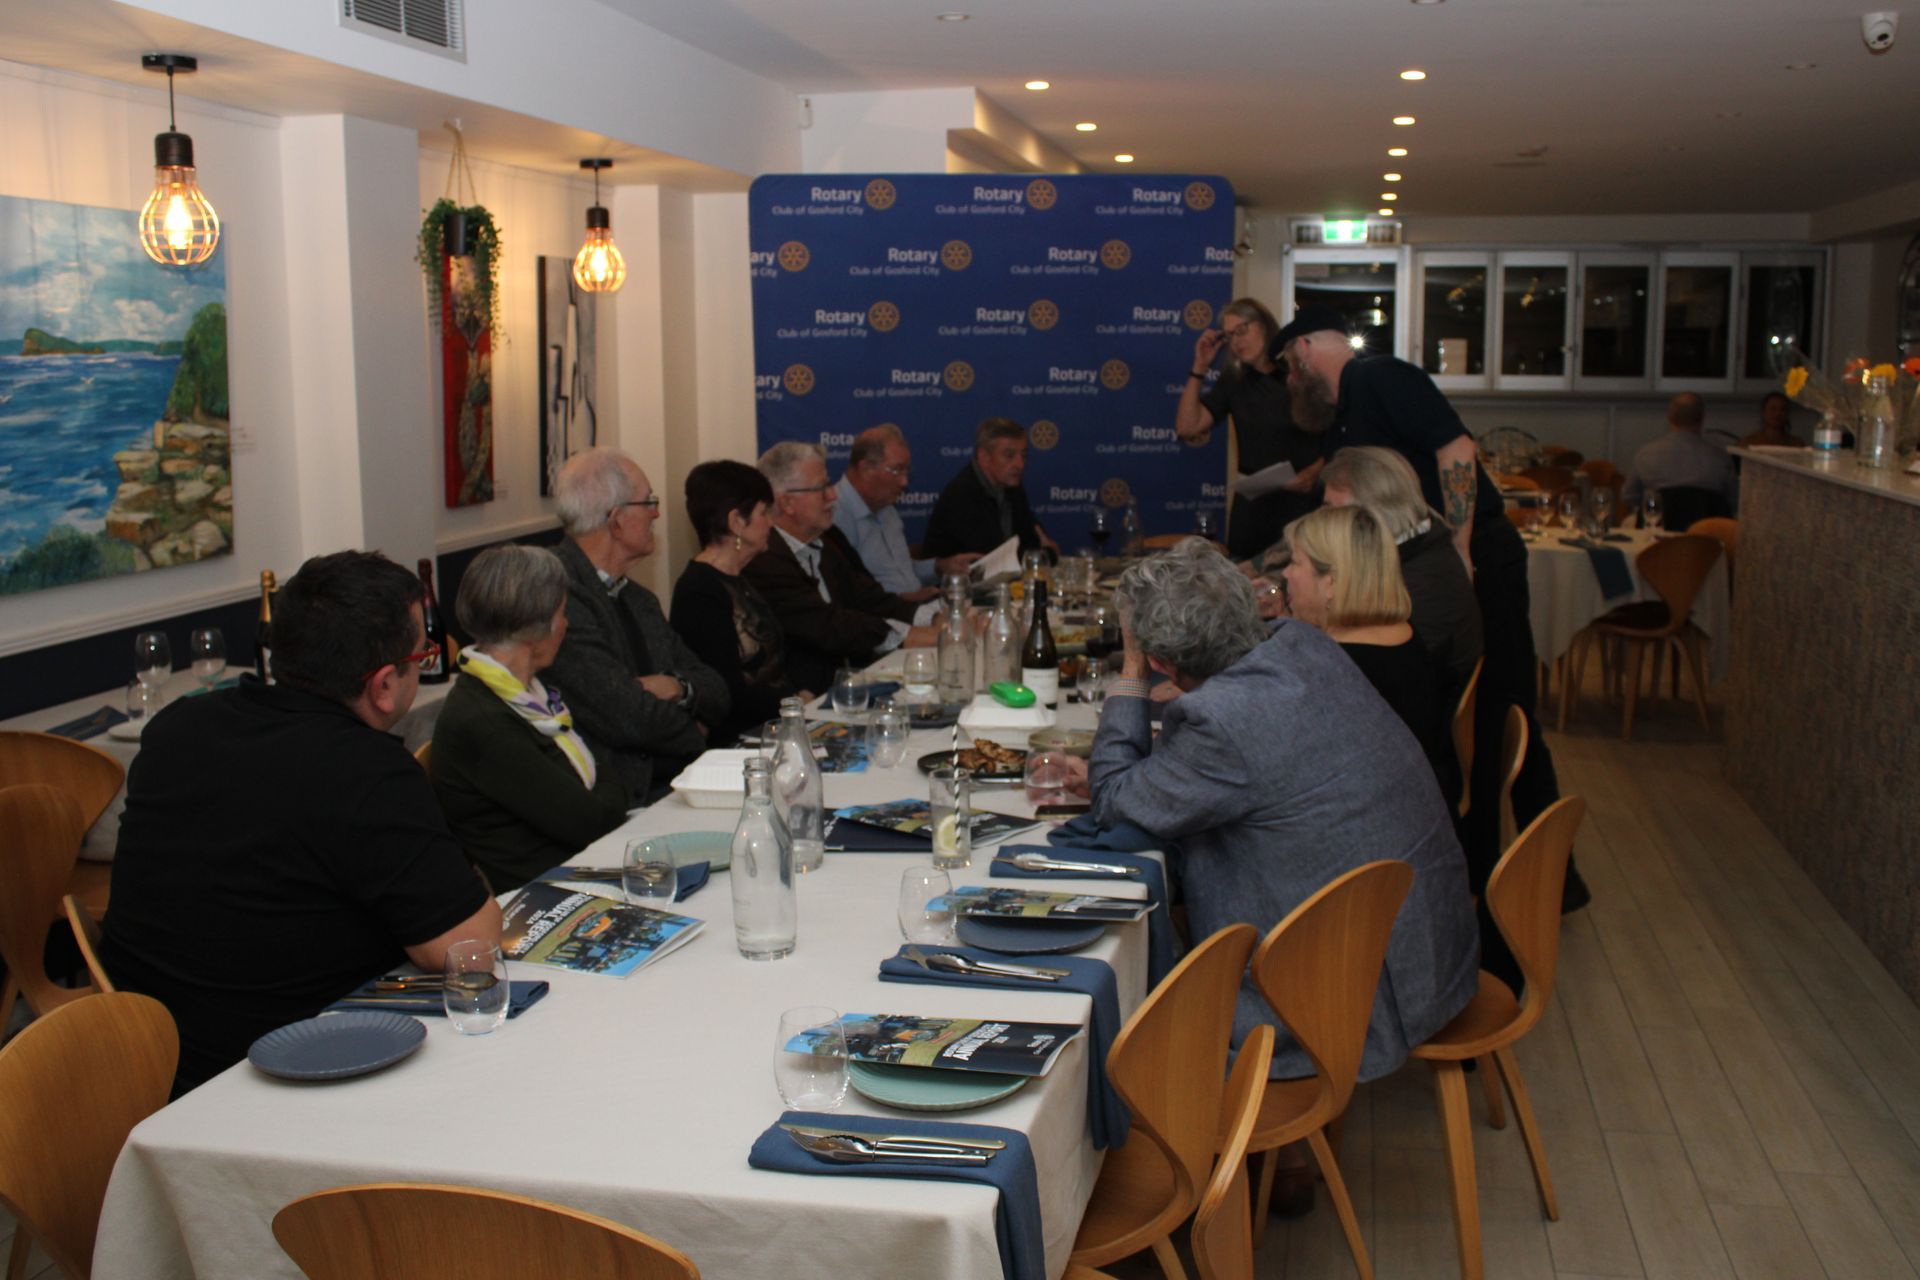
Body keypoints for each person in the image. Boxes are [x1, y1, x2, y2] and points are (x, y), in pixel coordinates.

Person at [100, 550, 502, 1094]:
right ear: (384, 685)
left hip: (136, 1061)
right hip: (280, 1074)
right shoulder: (365, 770)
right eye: (422, 653)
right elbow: (467, 947)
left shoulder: (178, 727)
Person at [1086, 539, 1478, 1083]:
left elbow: (1111, 801)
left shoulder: (1220, 724)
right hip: (1429, 953)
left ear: (1160, 662)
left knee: (1123, 1018)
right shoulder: (1303, 643)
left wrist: (1130, 667)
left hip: (1344, 999)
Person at [1276, 301, 1588, 912]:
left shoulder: (1377, 375)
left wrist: (1462, 548)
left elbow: (1458, 449)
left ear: (1306, 349)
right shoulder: (1349, 413)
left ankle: (1532, 885)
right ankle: (1505, 880)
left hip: (1476, 561)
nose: (1289, 378)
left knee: (1503, 715)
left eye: (1288, 364)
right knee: (1484, 719)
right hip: (1435, 563)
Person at [428, 544, 628, 892]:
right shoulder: (483, 721)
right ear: (538, 632)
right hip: (544, 892)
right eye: (562, 613)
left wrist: (604, 787)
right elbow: (592, 822)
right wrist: (611, 784)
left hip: (578, 867)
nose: (566, 624)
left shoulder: (525, 694)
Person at [545, 447, 730, 804]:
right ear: (616, 520)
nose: (657, 512)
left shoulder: (638, 599)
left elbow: (716, 688)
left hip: (675, 782)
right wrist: (693, 728)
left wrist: (677, 687)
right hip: (620, 799)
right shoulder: (560, 594)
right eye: (648, 502)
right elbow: (626, 715)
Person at [743, 441, 940, 694]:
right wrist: (907, 636)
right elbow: (827, 624)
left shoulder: (826, 540)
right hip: (806, 697)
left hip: (850, 684)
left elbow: (870, 598)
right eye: (821, 488)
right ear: (787, 503)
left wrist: (934, 617)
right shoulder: (765, 559)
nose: (832, 495)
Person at [1282, 505, 1451, 790]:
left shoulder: (1334, 667)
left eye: (1295, 562)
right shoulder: (1401, 631)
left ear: (1331, 583)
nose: (1286, 574)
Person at [1319, 445, 1482, 701]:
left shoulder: (1412, 581)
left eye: (1331, 511)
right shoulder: (1424, 542)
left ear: (1373, 513)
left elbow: (1355, 672)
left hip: (1414, 712)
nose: (1322, 521)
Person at [671, 459, 808, 744]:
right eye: (763, 512)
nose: (771, 522)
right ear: (736, 522)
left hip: (773, 728)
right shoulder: (699, 591)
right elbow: (725, 690)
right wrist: (792, 703)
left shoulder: (740, 578)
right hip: (739, 743)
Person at [1174, 297, 1322, 558]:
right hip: (1254, 509)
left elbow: (1337, 432)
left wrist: (1314, 472)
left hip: (1302, 503)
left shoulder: (1300, 374)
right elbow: (1187, 427)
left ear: (1264, 325)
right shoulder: (1235, 380)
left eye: (1241, 330)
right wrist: (1199, 367)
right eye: (1229, 336)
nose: (1236, 341)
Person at [833, 424, 978, 600]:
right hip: (883, 614)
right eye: (896, 470)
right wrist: (903, 602)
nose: (904, 482)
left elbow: (900, 571)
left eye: (906, 470)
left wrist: (940, 567)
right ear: (866, 469)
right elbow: (843, 595)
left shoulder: (886, 508)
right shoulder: (833, 515)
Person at [921, 417, 1059, 561]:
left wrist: (1043, 552)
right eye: (1009, 455)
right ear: (984, 457)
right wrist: (1048, 553)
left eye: (1023, 455)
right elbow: (993, 559)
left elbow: (1033, 540)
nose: (1020, 464)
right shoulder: (962, 494)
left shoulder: (1013, 489)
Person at [1623, 392, 1739, 521]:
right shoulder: (1721, 459)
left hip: (1657, 528)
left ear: (1670, 417)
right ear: (1701, 418)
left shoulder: (1646, 455)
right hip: (1705, 531)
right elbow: (1735, 501)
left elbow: (1630, 497)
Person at [1742, 391, 1806, 448]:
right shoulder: (1748, 443)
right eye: (1773, 409)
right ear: (1763, 412)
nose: (1778, 414)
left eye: (1783, 409)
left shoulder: (1797, 444)